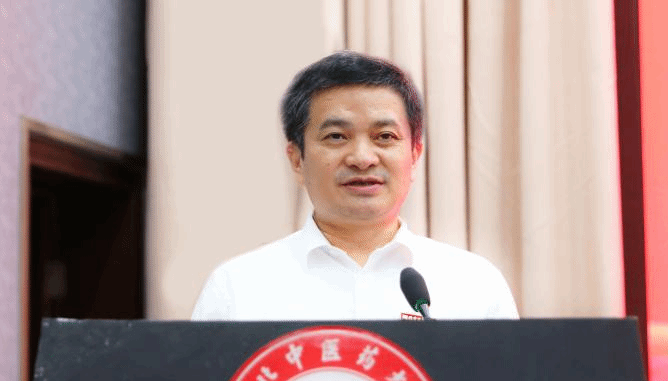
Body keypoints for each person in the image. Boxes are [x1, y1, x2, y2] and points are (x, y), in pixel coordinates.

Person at [191, 51, 518, 321]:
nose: (362, 158)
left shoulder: (475, 286)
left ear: (415, 155)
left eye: (384, 136)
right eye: (336, 136)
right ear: (297, 160)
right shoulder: (237, 289)